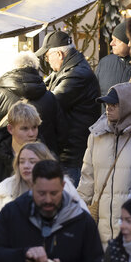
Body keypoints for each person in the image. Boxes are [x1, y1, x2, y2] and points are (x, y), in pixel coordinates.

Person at [78, 82, 131, 246]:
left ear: (130, 106)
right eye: (107, 104)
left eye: (114, 104)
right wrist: (79, 211)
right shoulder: (96, 136)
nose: (108, 108)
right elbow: (87, 178)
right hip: (99, 225)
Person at [38, 30, 101, 184]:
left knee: (68, 202)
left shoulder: (77, 74)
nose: (47, 61)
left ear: (59, 54)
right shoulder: (69, 69)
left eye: (47, 57)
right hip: (68, 151)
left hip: (72, 155)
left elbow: (50, 103)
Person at [0, 51, 59, 158]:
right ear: (35, 68)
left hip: (6, 161)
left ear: (13, 68)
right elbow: (61, 134)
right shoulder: (49, 97)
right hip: (40, 162)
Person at [96, 21, 131, 96]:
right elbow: (95, 93)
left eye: (117, 40)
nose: (111, 43)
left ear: (129, 43)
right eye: (112, 39)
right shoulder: (104, 62)